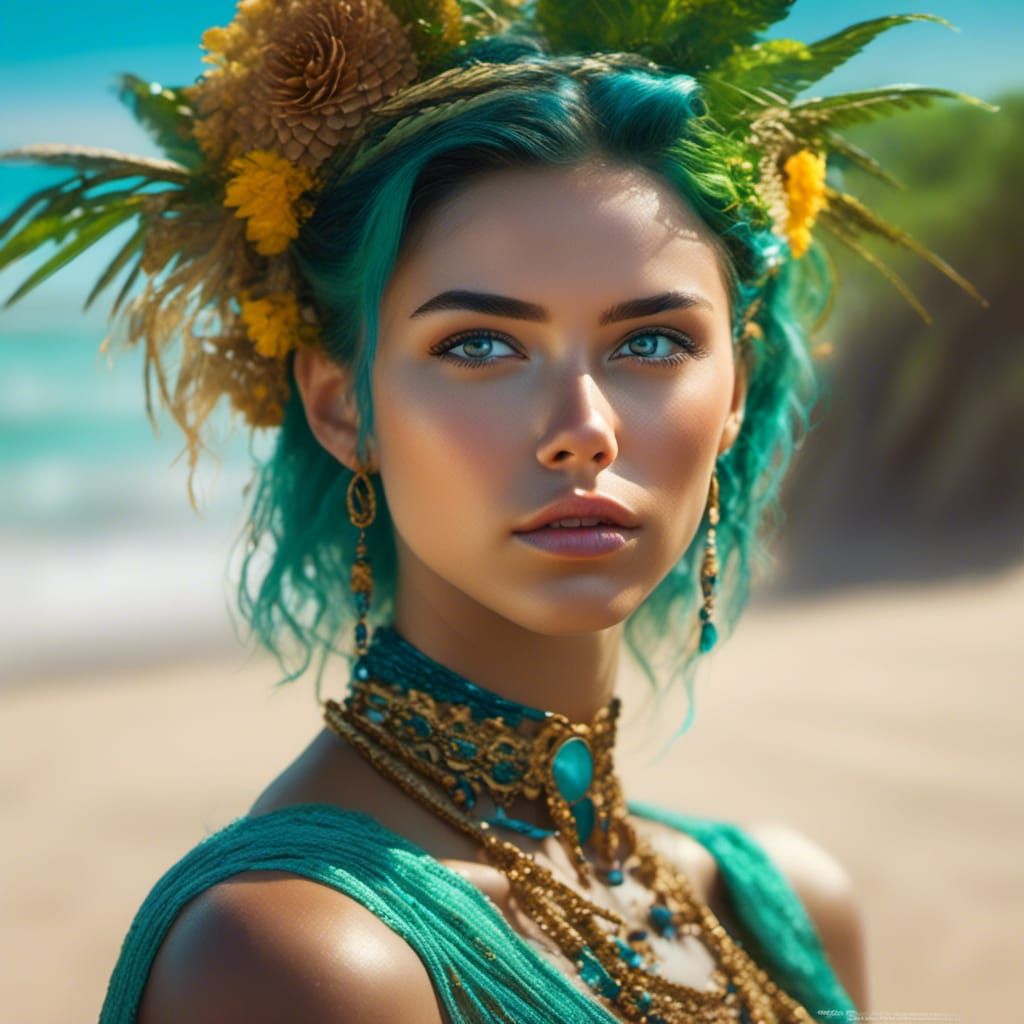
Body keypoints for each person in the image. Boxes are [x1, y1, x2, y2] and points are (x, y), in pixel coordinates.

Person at [1, 1, 991, 1021]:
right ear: (343, 406)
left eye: (651, 343)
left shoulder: (786, 905)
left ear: (735, 388)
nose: (582, 429)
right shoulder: (299, 960)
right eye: (479, 345)